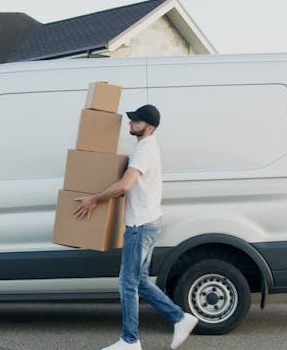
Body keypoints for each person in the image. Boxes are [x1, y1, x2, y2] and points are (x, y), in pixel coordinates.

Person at [74, 104, 198, 350]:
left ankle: (130, 340)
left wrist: (93, 199)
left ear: (149, 127)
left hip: (140, 225)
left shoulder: (145, 149)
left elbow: (123, 186)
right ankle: (180, 317)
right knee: (139, 281)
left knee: (127, 282)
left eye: (136, 121)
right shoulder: (145, 147)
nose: (130, 123)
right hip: (149, 221)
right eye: (131, 120)